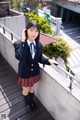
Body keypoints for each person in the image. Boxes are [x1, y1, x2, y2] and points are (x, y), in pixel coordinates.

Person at [13, 20, 58, 112]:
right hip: (24, 73)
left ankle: (31, 100)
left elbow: (39, 58)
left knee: (32, 89)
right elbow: (20, 57)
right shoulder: (18, 44)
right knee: (26, 90)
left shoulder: (39, 44)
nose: (34, 33)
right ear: (26, 31)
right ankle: (27, 103)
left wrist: (49, 60)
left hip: (35, 72)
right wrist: (23, 41)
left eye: (36, 31)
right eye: (31, 30)